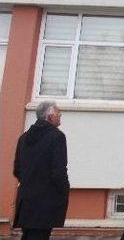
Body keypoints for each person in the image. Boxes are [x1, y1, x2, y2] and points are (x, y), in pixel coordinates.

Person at [13, 101, 69, 240]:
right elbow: (59, 171)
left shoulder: (23, 138)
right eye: (57, 112)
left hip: (26, 200)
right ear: (49, 117)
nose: (60, 114)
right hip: (46, 202)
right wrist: (64, 190)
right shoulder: (57, 137)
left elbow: (17, 169)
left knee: (28, 235)